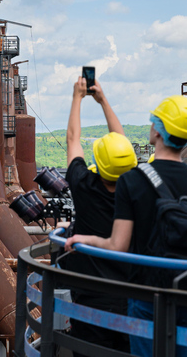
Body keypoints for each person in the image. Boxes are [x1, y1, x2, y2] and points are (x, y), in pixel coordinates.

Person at [66, 95, 187, 357]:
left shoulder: (134, 181)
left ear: (157, 130)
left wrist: (84, 240)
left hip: (148, 299)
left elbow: (117, 244)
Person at [63, 77, 136, 354]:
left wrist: (77, 98)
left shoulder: (84, 185)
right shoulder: (136, 187)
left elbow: (72, 139)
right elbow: (123, 145)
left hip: (90, 296)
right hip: (131, 296)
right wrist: (103, 99)